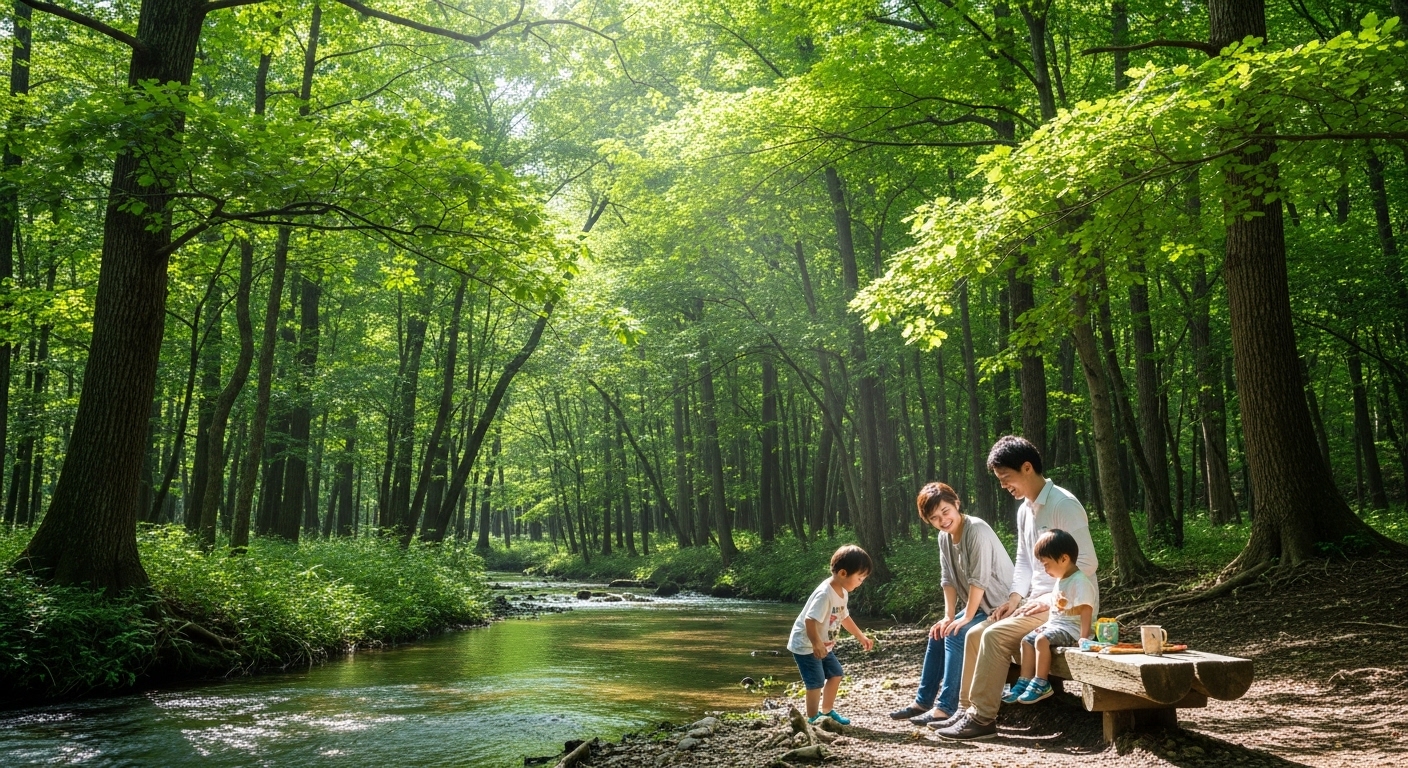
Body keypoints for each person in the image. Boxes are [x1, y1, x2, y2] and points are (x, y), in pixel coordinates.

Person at [934, 435, 1098, 741]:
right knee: (974, 632)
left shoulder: (1064, 504)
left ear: (1026, 468)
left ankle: (983, 718)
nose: (1003, 486)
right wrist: (1013, 599)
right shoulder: (1025, 509)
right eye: (998, 480)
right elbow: (1024, 561)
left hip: (1068, 606)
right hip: (1035, 602)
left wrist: (1050, 597)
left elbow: (1087, 563)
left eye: (1005, 478)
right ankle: (966, 709)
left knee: (994, 636)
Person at [889, 482, 1014, 728]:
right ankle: (922, 702)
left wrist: (965, 617)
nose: (943, 520)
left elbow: (980, 579)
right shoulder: (944, 538)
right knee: (938, 632)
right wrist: (948, 616)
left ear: (956, 504)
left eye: (946, 511)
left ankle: (946, 708)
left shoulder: (975, 529)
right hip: (978, 606)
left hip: (1002, 606)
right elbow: (948, 579)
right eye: (935, 518)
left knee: (956, 634)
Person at [1000, 529, 1096, 704]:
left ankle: (1041, 683)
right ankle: (1024, 681)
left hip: (1072, 630)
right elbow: (1057, 610)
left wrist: (1084, 638)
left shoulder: (1079, 581)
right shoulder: (1061, 579)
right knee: (1027, 640)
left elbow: (1086, 610)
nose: (1045, 569)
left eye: (1046, 564)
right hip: (1057, 626)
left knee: (1041, 640)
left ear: (1064, 559)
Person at [787, 544, 875, 725]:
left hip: (823, 644)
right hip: (806, 644)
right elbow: (809, 621)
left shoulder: (842, 592)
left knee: (836, 674)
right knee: (816, 682)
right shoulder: (824, 594)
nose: (861, 583)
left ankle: (826, 711)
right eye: (859, 578)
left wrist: (860, 636)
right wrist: (816, 644)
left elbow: (844, 617)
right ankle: (812, 719)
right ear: (843, 573)